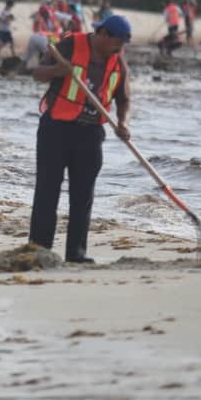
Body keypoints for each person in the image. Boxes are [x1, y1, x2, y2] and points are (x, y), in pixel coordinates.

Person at [30, 15, 132, 263]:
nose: (119, 49)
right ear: (104, 34)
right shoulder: (70, 45)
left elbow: (124, 98)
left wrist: (122, 122)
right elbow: (38, 73)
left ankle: (76, 253)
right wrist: (58, 70)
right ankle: (39, 249)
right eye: (117, 42)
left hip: (90, 134)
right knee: (47, 191)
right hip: (56, 128)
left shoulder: (118, 63)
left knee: (83, 196)